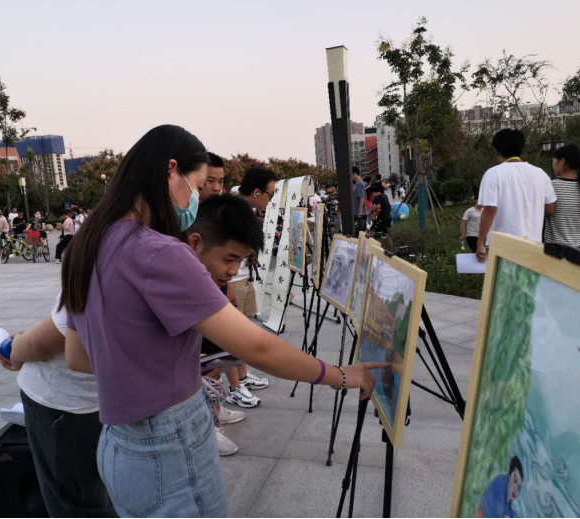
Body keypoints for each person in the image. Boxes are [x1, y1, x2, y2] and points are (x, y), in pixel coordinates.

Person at [61, 125, 384, 518]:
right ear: (171, 171)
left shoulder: (87, 245)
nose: (197, 199)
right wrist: (340, 376)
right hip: (168, 443)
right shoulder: (158, 251)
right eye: (197, 186)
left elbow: (78, 357)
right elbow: (258, 347)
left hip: (118, 445)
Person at [0, 296, 116, 518]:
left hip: (67, 404)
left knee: (75, 501)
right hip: (111, 399)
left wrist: (16, 349)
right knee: (104, 486)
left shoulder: (97, 275)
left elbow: (44, 343)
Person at [189, 194, 264, 456]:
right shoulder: (180, 283)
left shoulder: (207, 279)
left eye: (240, 261)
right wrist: (335, 376)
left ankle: (212, 414)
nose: (234, 270)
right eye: (229, 259)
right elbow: (262, 349)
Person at [225, 166, 279, 408]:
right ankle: (234, 387)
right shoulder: (231, 210)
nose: (270, 200)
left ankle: (243, 376)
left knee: (244, 330)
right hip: (232, 281)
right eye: (270, 194)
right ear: (257, 192)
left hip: (245, 277)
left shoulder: (247, 210)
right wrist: (226, 285)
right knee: (231, 336)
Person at [476, 129, 557, 262]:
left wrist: (480, 243)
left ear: (497, 152)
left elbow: (490, 210)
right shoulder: (540, 174)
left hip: (503, 250)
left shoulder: (493, 173)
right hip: (533, 248)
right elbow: (550, 209)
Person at [544, 145, 580, 246]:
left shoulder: (550, 186)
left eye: (553, 161)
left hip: (556, 250)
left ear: (562, 161)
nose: (553, 165)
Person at [353, 167, 369, 236]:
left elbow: (361, 198)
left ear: (355, 173)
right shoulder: (358, 183)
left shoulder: (359, 183)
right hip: (360, 213)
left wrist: (360, 212)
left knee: (360, 234)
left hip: (360, 214)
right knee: (359, 234)